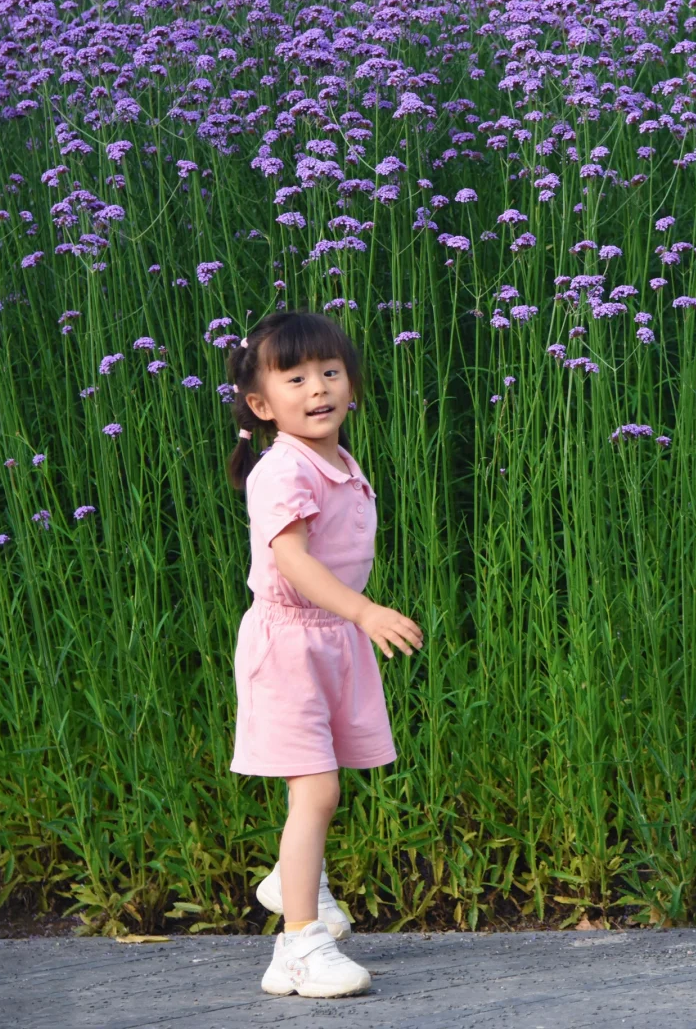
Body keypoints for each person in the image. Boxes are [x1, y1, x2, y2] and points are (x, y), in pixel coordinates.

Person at [225, 310, 423, 998]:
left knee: (322, 782)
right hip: (289, 642)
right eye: (296, 378)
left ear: (352, 386)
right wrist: (365, 611)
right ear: (261, 404)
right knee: (318, 787)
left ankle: (293, 881)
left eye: (330, 373)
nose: (318, 389)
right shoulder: (282, 471)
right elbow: (293, 561)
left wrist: (353, 621)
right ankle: (298, 947)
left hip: (330, 640)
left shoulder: (336, 458)